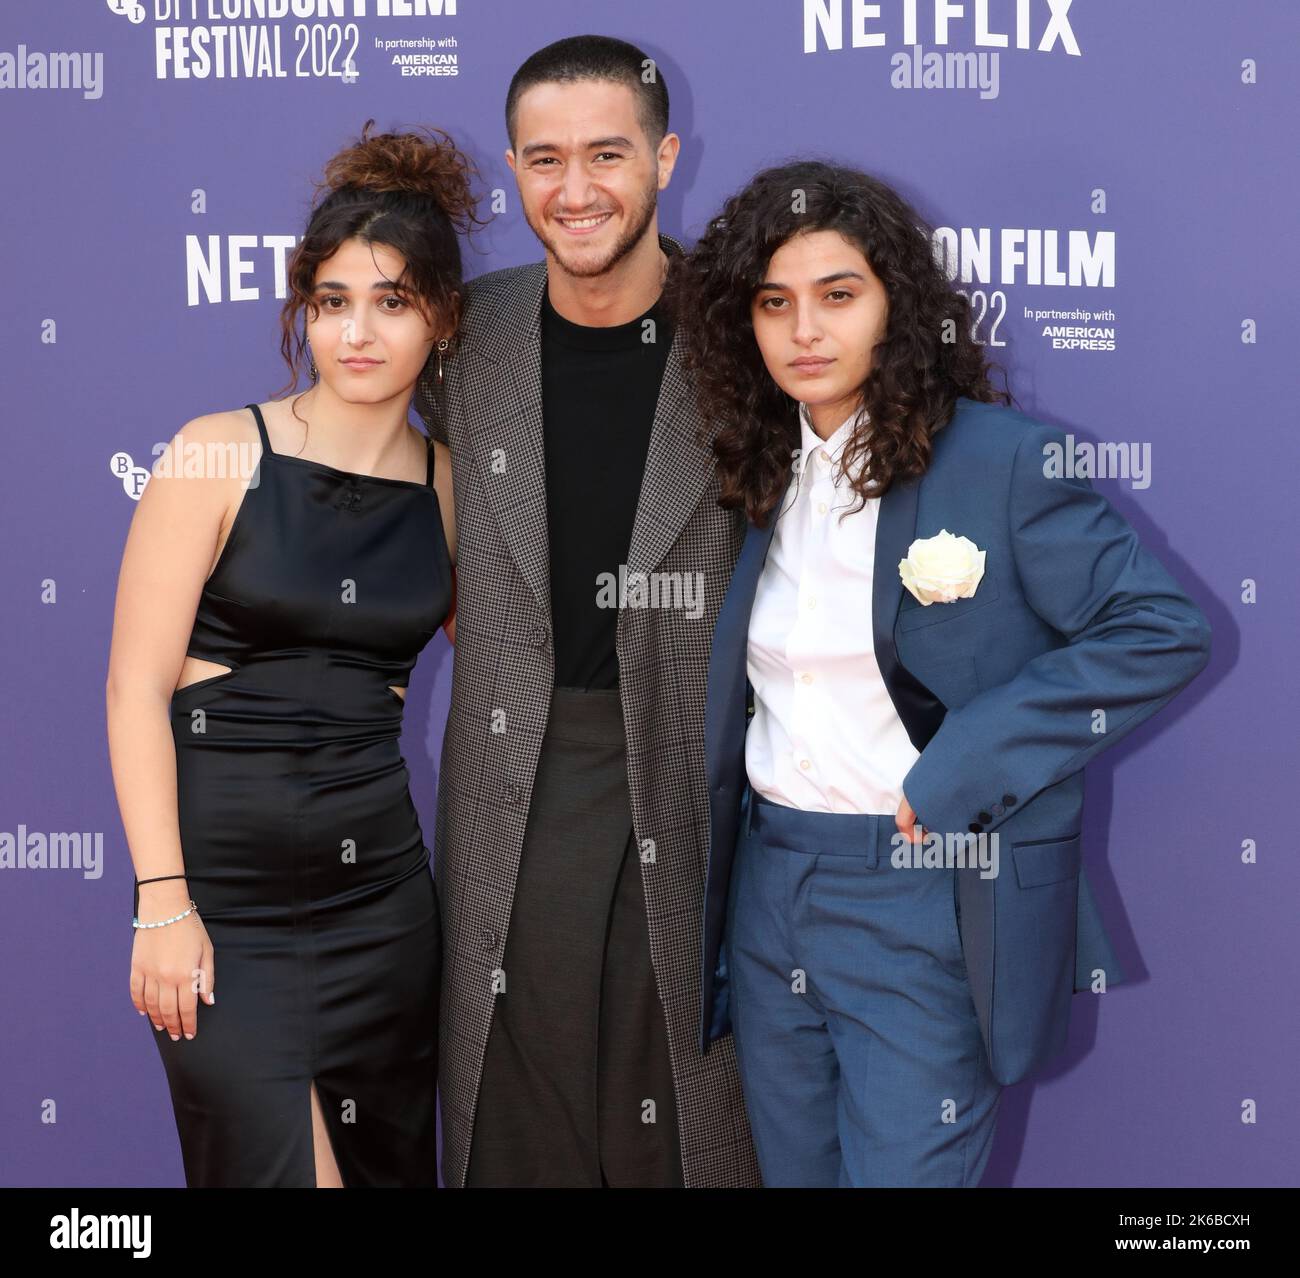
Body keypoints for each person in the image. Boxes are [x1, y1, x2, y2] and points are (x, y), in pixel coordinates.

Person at [670, 161, 1213, 1187]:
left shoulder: (1000, 461)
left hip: (921, 894)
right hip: (770, 890)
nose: (804, 331)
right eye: (773, 303)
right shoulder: (748, 467)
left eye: (838, 295)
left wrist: (971, 757)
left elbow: (1160, 628)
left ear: (896, 306)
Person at [413, 35, 760, 1187]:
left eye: (606, 155)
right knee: (512, 1110)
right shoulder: (467, 336)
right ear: (511, 167)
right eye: (544, 159)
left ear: (665, 157)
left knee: (691, 1108)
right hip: (516, 769)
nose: (574, 191)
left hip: (700, 768)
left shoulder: (754, 330)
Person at [105, 120, 478, 1187]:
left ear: (441, 318)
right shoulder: (219, 451)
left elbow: (515, 662)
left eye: (392, 302)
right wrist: (162, 900)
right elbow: (136, 688)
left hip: (383, 913)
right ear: (302, 312)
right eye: (331, 302)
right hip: (221, 905)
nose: (357, 332)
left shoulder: (451, 487)